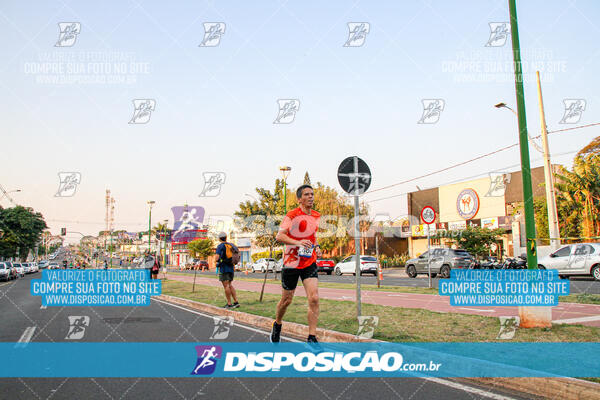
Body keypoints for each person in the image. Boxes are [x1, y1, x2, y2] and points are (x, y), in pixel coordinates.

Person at [271, 185, 321, 344]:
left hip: (309, 262)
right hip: (291, 262)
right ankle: (277, 324)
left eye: (312, 194)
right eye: (307, 194)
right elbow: (279, 236)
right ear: (299, 199)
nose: (311, 197)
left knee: (314, 298)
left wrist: (317, 247)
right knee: (286, 300)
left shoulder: (316, 215)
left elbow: (313, 235)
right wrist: (298, 243)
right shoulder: (291, 215)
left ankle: (312, 337)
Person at [215, 232, 240, 309]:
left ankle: (229, 304)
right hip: (231, 267)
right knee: (230, 285)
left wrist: (217, 261)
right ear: (226, 237)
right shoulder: (231, 245)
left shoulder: (220, 246)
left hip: (224, 268)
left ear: (219, 238)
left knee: (226, 286)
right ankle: (236, 302)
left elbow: (216, 258)